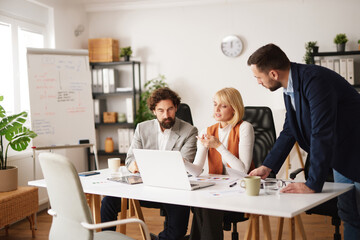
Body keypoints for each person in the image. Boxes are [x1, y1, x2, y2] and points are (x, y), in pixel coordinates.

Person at [247, 43, 360, 239]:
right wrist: (268, 166)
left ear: (273, 74)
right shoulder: (290, 86)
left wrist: (312, 184)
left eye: (258, 77)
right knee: (350, 215)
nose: (258, 82)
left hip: (356, 151)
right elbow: (290, 129)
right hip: (343, 157)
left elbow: (321, 132)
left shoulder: (314, 80)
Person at [101, 87, 198, 240]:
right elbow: (129, 160)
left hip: (172, 190)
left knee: (177, 230)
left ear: (176, 108)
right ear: (154, 111)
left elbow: (185, 166)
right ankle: (106, 237)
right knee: (108, 201)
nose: (166, 115)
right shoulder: (142, 128)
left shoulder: (189, 131)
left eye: (170, 109)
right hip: (143, 186)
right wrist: (134, 165)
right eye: (161, 110)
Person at [184, 87, 254, 240]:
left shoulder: (244, 128)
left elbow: (243, 170)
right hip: (219, 187)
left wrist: (218, 146)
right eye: (215, 104)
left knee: (208, 203)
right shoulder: (207, 131)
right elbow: (197, 170)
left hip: (240, 188)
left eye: (223, 105)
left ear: (234, 109)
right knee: (200, 200)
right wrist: (182, 162)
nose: (217, 109)